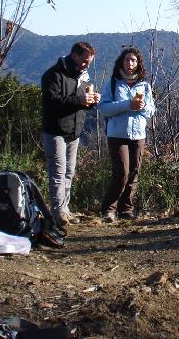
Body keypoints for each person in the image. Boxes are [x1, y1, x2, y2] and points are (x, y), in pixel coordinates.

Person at [40, 41, 100, 228]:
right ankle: (58, 212)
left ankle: (64, 209)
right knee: (58, 172)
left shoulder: (83, 77)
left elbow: (81, 104)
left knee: (69, 172)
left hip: (74, 132)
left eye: (89, 62)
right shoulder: (53, 75)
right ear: (74, 56)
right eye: (84, 61)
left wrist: (91, 101)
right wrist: (79, 99)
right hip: (55, 131)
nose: (86, 65)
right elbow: (52, 101)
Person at [97, 47, 156, 221]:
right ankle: (108, 208)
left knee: (134, 172)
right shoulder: (113, 84)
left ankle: (125, 210)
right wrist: (127, 105)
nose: (130, 63)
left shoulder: (144, 86)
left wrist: (143, 106)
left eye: (134, 60)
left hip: (138, 134)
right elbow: (104, 108)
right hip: (117, 134)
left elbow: (152, 111)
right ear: (121, 62)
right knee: (121, 172)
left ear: (138, 64)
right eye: (127, 60)